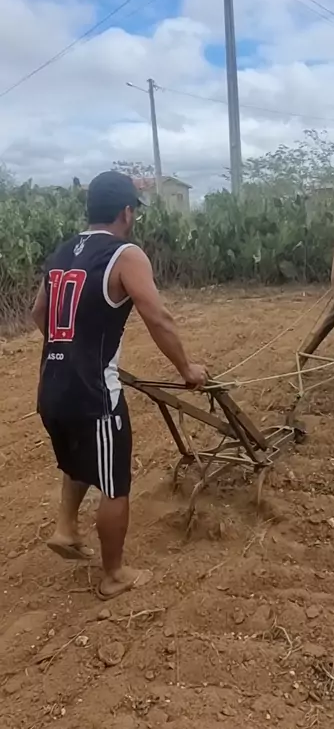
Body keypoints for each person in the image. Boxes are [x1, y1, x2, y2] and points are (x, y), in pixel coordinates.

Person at [32, 169, 207, 599]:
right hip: (94, 395)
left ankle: (66, 528)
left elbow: (39, 313)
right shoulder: (126, 255)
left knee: (79, 454)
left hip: (51, 387)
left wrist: (69, 348)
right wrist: (187, 369)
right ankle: (114, 575)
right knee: (115, 482)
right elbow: (157, 317)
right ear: (127, 212)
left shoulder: (62, 252)